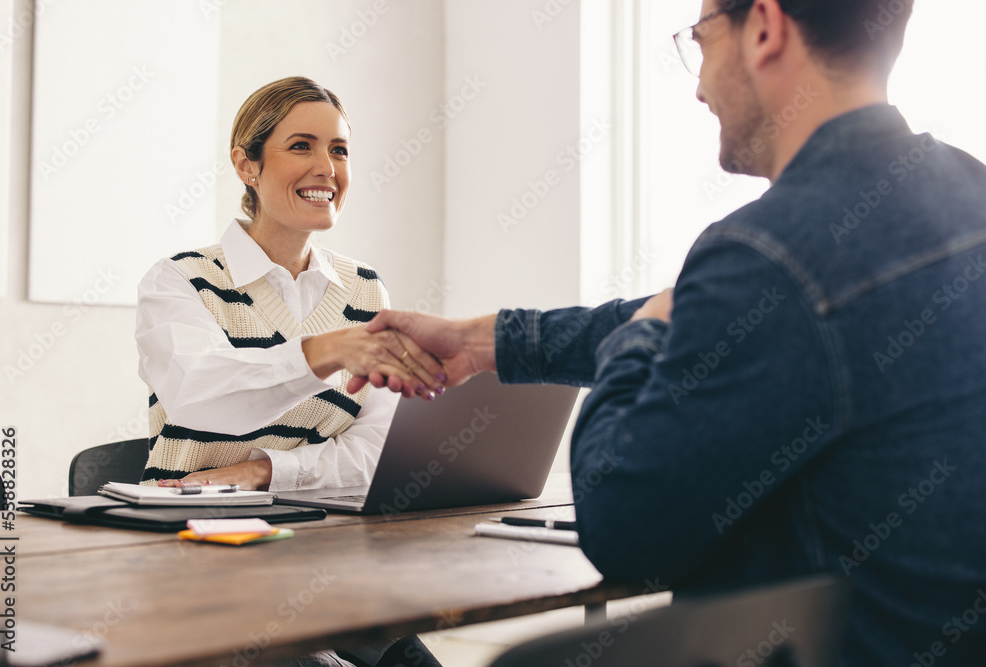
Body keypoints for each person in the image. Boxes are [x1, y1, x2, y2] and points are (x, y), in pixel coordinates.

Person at [360, 2, 986, 665]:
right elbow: (699, 319)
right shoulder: (965, 192)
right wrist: (480, 341)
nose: (697, 84)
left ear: (765, 27)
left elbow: (623, 524)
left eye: (701, 38)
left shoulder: (765, 252)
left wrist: (638, 343)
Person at [135, 77, 443, 667]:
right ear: (246, 165)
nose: (326, 166)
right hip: (199, 558)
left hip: (325, 553)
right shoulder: (180, 281)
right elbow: (201, 397)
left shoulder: (365, 291)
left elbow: (374, 456)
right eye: (301, 145)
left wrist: (264, 470)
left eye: (340, 149)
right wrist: (325, 351)